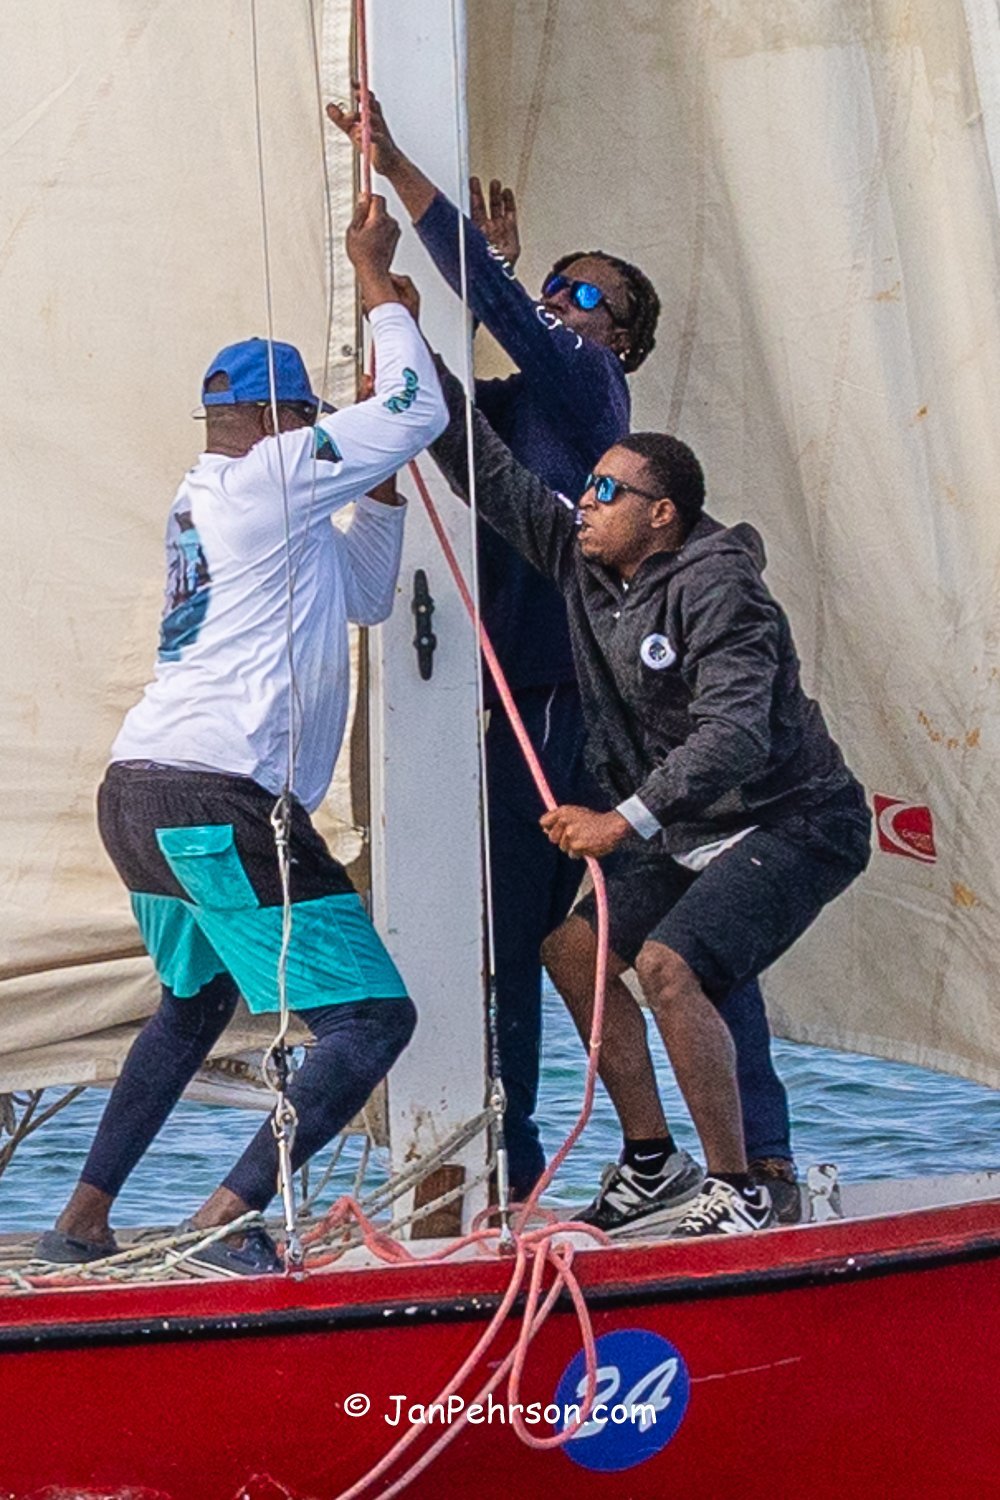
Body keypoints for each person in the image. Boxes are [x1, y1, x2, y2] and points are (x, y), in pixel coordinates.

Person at [327, 96, 798, 1211]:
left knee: (682, 926)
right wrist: (382, 302)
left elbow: (498, 313)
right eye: (557, 285)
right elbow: (442, 409)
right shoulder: (527, 394)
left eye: (587, 294)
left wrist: (402, 175)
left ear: (622, 336)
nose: (559, 301)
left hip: (576, 711)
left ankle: (758, 1158)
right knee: (537, 946)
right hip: (520, 705)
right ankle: (517, 1175)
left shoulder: (594, 388)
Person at [37, 194, 448, 1275]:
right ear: (281, 424)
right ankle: (227, 1215)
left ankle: (81, 1216)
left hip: (145, 794)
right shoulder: (273, 476)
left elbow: (364, 592)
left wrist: (379, 475)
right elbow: (416, 410)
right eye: (314, 426)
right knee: (370, 1022)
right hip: (214, 799)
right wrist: (375, 282)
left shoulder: (229, 491)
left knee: (195, 1000)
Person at [428, 371, 871, 1236]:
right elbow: (487, 471)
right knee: (572, 950)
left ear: (660, 512)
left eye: (605, 491)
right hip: (692, 825)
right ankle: (651, 1163)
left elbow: (735, 735)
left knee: (670, 967)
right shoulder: (585, 561)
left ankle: (741, 1186)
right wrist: (398, 328)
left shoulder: (720, 587)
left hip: (795, 821)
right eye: (586, 489)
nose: (583, 503)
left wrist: (618, 820)